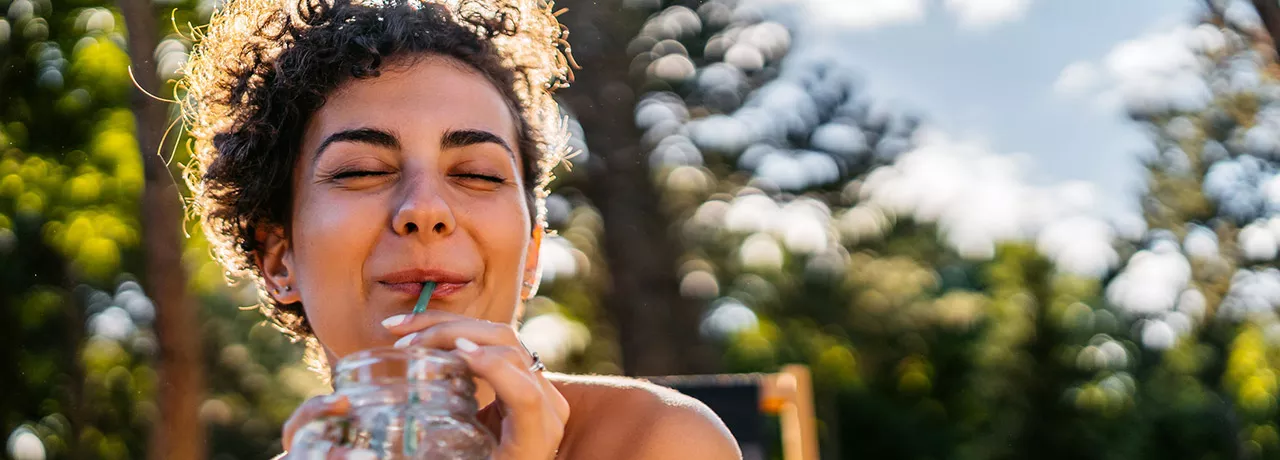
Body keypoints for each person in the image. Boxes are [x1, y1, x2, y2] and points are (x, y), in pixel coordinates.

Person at [179, 0, 740, 458]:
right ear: (279, 261)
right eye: (363, 171)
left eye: (475, 174)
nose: (426, 209)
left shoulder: (653, 441)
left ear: (529, 256)